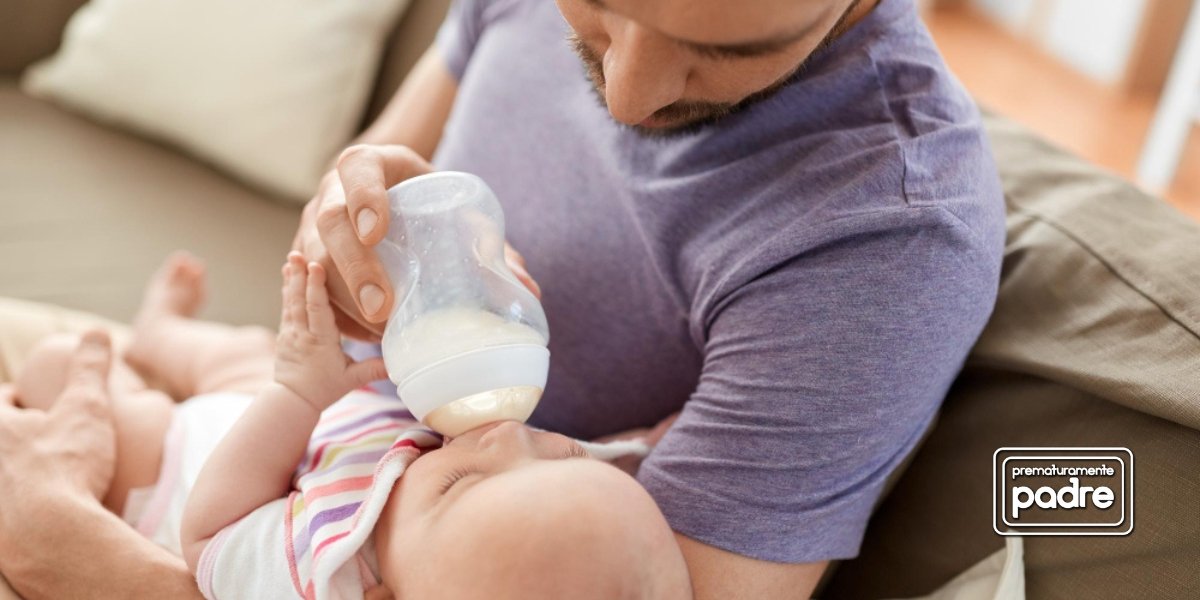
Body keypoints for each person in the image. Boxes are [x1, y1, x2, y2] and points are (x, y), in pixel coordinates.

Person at [0, 0, 1005, 597]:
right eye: (600, 5)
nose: (629, 95)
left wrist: (83, 565)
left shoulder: (884, 237)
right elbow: (357, 207)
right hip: (300, 431)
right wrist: (353, 232)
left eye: (727, 49)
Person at [9, 253, 690, 599]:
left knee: (64, 365)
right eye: (560, 452)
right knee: (242, 352)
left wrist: (298, 396)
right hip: (314, 418)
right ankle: (160, 334)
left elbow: (208, 533)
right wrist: (650, 446)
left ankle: (126, 373)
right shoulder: (538, 523)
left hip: (181, 463)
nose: (506, 437)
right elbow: (605, 492)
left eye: (458, 485)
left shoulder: (319, 571)